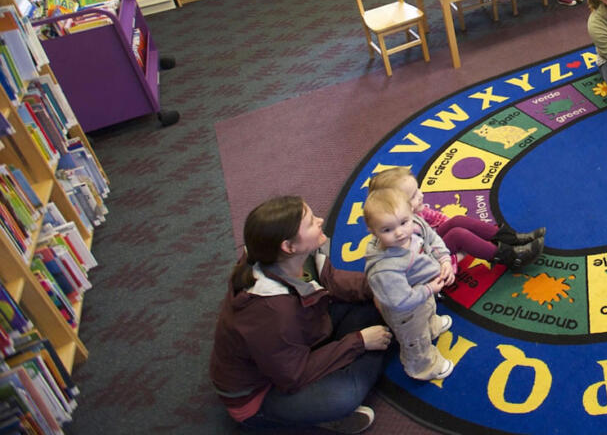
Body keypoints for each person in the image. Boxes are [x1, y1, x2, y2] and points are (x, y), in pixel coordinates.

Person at [210, 196, 391, 434]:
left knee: (376, 304)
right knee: (344, 396)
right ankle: (290, 420)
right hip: (263, 393)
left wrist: (378, 286)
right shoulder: (271, 313)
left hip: (298, 341)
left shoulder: (283, 257)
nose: (321, 220)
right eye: (310, 222)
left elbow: (330, 281)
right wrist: (359, 342)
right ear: (288, 246)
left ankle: (355, 354)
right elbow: (293, 376)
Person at [363, 187, 455, 381]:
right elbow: (401, 301)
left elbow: (432, 238)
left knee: (429, 310)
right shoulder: (384, 269)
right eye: (387, 229)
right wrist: (429, 288)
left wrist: (445, 260)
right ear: (372, 230)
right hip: (406, 312)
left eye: (404, 222)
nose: (399, 233)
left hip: (422, 292)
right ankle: (423, 368)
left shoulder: (414, 227)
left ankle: (431, 326)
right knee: (415, 341)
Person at [368, 168, 545, 268]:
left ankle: (511, 239)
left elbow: (437, 219)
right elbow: (420, 268)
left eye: (418, 190)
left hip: (431, 244)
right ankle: (510, 257)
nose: (421, 195)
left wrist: (452, 228)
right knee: (458, 235)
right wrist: (456, 257)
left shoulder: (413, 214)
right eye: (413, 196)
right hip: (429, 262)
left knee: (457, 221)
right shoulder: (402, 234)